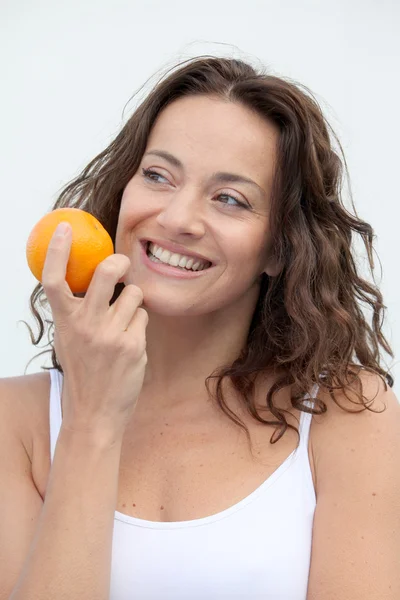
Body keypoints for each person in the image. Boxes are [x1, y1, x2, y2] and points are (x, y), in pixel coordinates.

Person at [1, 56, 399, 600]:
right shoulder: (14, 425)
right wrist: (91, 421)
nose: (178, 218)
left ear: (280, 249)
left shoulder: (349, 418)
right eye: (158, 175)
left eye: (230, 199)